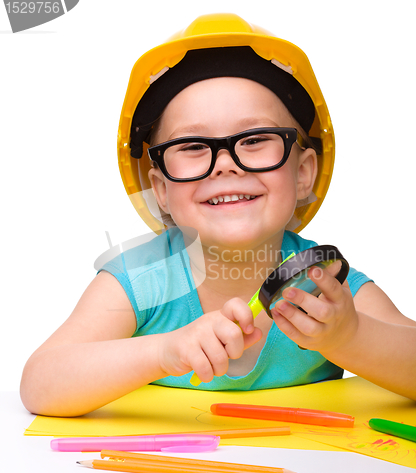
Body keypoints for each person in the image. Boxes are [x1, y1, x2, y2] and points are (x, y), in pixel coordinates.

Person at [20, 14, 416, 417]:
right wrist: (162, 351)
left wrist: (351, 337)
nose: (225, 164)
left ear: (302, 174)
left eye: (256, 139)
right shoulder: (141, 281)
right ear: (161, 191)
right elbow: (40, 384)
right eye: (193, 146)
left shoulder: (323, 282)